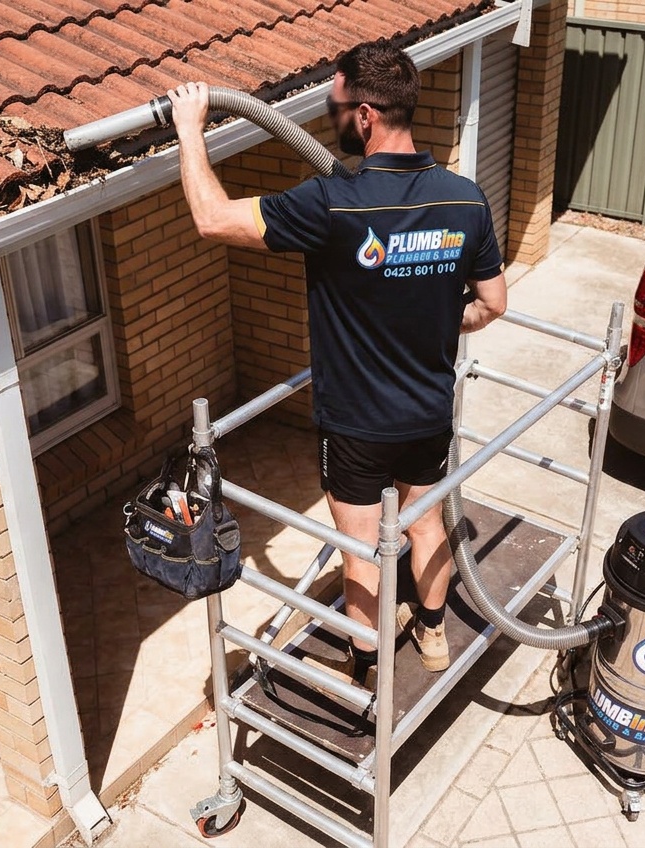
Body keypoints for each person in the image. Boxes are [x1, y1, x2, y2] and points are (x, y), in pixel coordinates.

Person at [167, 40, 507, 688]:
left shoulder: (331, 204)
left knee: (361, 548)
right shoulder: (465, 200)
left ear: (368, 116)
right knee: (427, 521)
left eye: (337, 105)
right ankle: (432, 633)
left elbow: (211, 219)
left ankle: (369, 664)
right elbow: (493, 301)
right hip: (428, 412)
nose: (330, 115)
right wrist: (442, 314)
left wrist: (190, 128)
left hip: (354, 424)